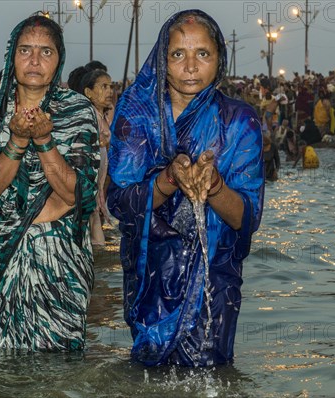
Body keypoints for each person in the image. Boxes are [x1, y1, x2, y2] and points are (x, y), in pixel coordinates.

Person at [107, 10, 264, 366]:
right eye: (178, 54)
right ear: (163, 59)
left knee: (211, 373)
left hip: (213, 279)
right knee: (149, 375)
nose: (190, 66)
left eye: (202, 54)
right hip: (150, 275)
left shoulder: (239, 121)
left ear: (220, 59)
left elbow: (246, 218)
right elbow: (118, 201)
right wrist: (168, 179)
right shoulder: (136, 116)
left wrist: (214, 185)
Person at [0, 13, 100, 350]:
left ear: (59, 60)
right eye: (25, 50)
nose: (34, 61)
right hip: (6, 255)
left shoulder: (77, 110)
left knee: (60, 364)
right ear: (12, 55)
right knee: (4, 359)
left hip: (60, 259)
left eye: (46, 52)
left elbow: (78, 193)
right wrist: (15, 141)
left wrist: (44, 141)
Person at [69, 65, 114, 246]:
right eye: (103, 86)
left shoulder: (102, 118)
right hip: (85, 196)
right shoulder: (87, 119)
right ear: (88, 92)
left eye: (111, 86)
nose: (110, 91)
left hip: (95, 197)